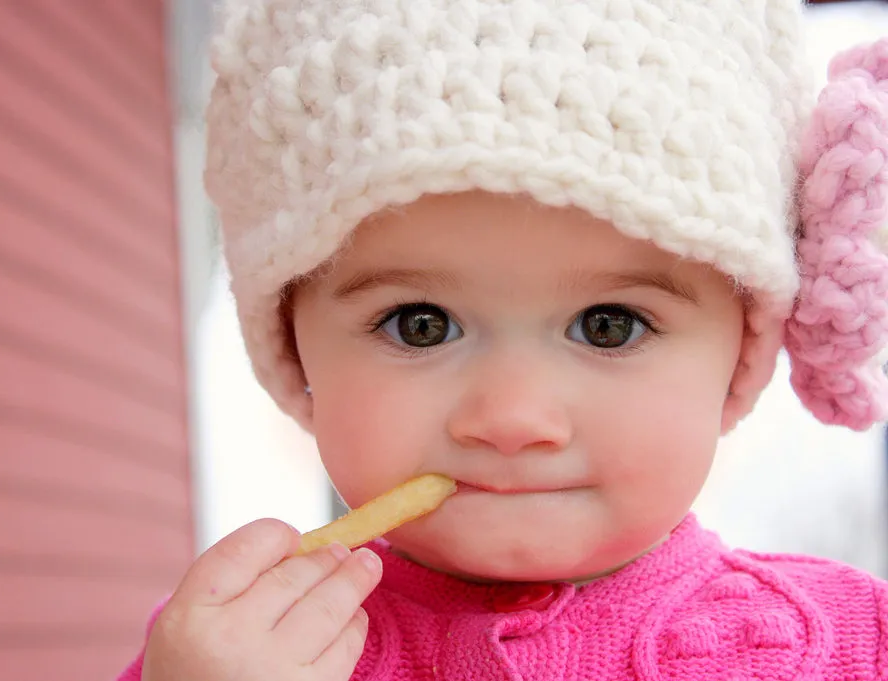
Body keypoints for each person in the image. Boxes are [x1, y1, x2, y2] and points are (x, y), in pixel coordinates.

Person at [120, 1, 888, 679]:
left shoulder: (858, 646)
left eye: (608, 325)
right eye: (420, 324)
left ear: (738, 352)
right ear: (295, 348)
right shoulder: (233, 654)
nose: (513, 417)